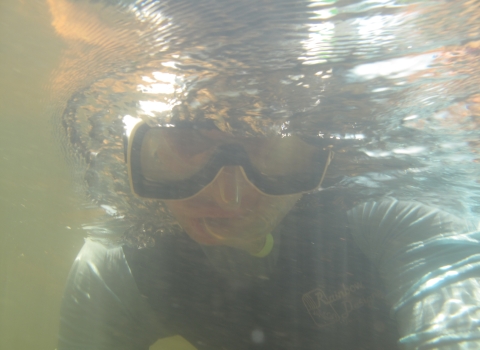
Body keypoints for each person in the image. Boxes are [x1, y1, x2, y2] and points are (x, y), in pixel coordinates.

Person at [51, 0, 480, 349]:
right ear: (134, 147)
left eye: (272, 147)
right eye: (186, 140)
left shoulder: (392, 215)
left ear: (319, 148)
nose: (230, 199)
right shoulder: (119, 267)